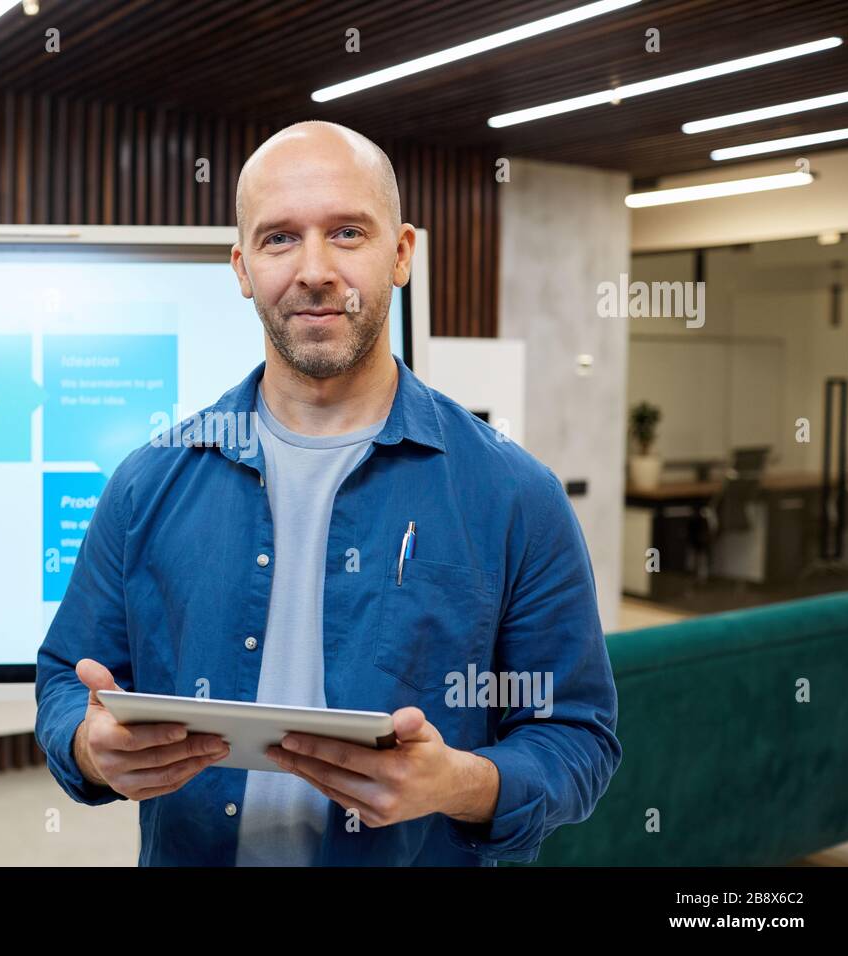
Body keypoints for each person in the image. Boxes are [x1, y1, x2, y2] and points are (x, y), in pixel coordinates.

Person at [35, 120, 620, 866]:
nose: (314, 269)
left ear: (400, 253)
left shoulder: (514, 495)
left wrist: (459, 783)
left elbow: (576, 736)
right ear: (242, 267)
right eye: (280, 239)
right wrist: (88, 746)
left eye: (347, 232)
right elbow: (63, 678)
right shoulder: (148, 480)